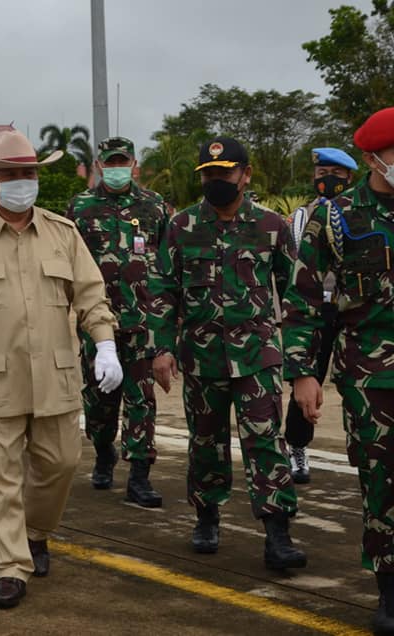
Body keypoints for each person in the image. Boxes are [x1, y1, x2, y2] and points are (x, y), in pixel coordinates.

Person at [0, 130, 122, 609]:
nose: (22, 182)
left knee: (62, 463)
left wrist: (106, 344)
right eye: (11, 174)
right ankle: (11, 567)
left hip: (55, 374)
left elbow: (91, 296)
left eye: (28, 173)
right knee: (0, 476)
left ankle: (36, 532)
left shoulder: (63, 232)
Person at [148, 137, 305, 570]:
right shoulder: (181, 226)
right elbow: (163, 290)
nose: (217, 181)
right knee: (205, 443)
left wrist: (297, 356)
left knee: (266, 441)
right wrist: (162, 348)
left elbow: (296, 293)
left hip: (258, 356)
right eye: (209, 174)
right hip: (202, 356)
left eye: (226, 172)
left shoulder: (271, 226)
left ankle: (277, 534)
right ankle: (206, 517)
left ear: (246, 175)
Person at [282, 107, 394, 633]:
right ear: (374, 158)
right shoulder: (335, 217)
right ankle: (389, 587)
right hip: (372, 376)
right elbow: (305, 300)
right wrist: (304, 372)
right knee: (383, 482)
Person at [66, 136, 171, 507]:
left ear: (134, 165)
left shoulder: (155, 206)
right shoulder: (79, 208)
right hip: (96, 323)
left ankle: (140, 475)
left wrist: (166, 325)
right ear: (98, 166)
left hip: (143, 322)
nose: (115, 169)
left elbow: (168, 262)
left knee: (142, 401)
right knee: (98, 402)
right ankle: (103, 450)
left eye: (122, 162)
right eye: (109, 163)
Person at [282, 147, 356, 485]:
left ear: (349, 178)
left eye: (336, 174)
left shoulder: (357, 213)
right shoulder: (303, 215)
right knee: (308, 379)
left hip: (354, 309)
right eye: (322, 173)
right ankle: (297, 445)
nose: (328, 179)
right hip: (319, 309)